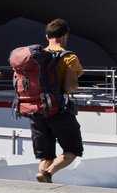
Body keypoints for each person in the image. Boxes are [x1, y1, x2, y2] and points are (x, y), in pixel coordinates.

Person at [30, 17, 84, 184]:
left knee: (45, 155)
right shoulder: (69, 57)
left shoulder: (36, 58)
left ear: (47, 36)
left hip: (36, 111)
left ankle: (43, 177)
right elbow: (70, 86)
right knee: (72, 150)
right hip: (58, 111)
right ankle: (49, 172)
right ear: (65, 36)